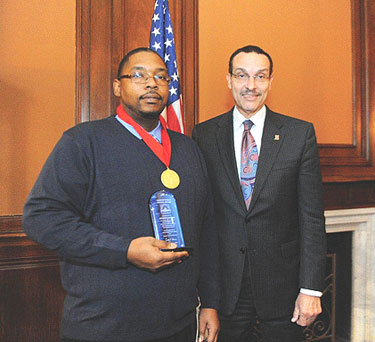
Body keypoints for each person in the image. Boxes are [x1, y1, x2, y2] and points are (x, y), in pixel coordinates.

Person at [23, 47, 220, 342]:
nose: (152, 83)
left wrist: (211, 302)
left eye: (161, 77)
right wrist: (124, 250)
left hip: (177, 323)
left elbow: (207, 229)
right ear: (118, 86)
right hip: (104, 325)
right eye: (139, 75)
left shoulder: (189, 149)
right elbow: (41, 219)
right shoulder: (82, 141)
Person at [192, 45, 327, 342]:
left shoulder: (298, 134)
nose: (250, 86)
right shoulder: (204, 135)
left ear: (270, 81)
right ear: (229, 80)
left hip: (284, 289)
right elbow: (204, 221)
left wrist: (311, 289)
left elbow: (312, 217)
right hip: (227, 290)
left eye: (260, 76)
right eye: (242, 75)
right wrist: (207, 300)